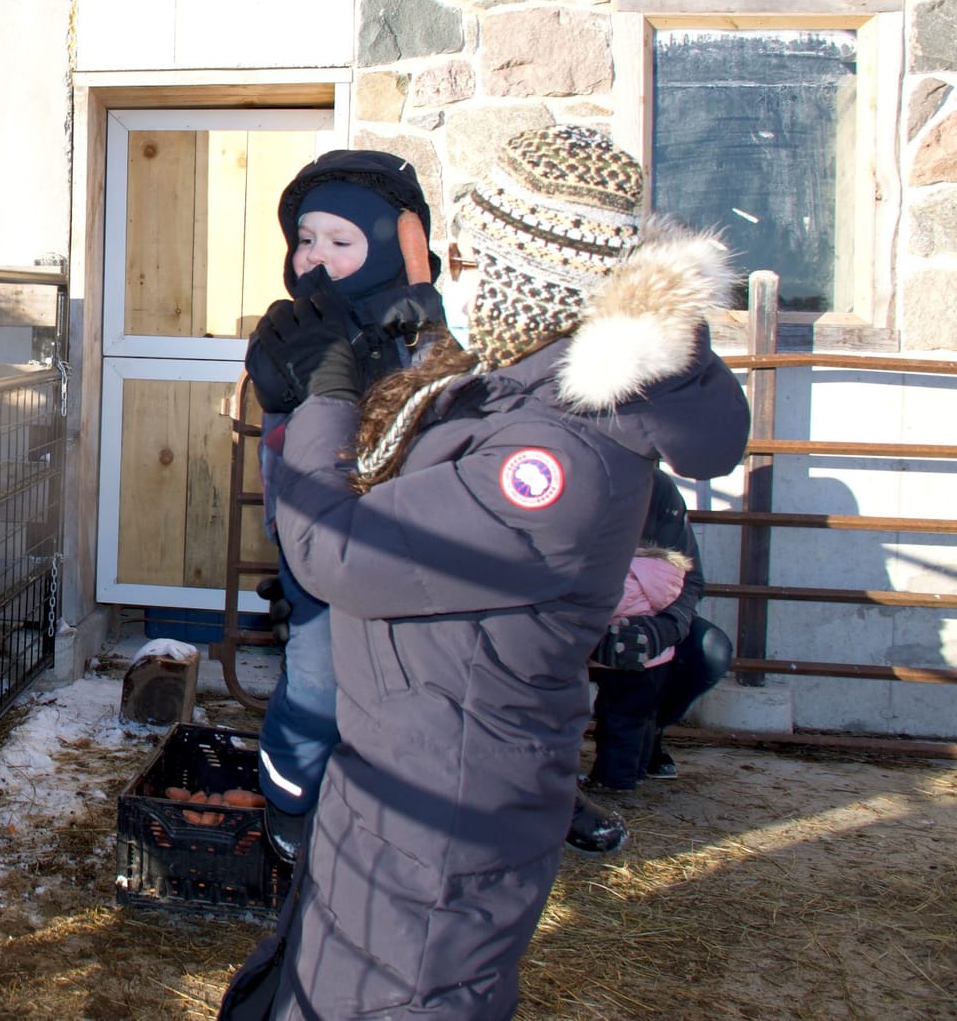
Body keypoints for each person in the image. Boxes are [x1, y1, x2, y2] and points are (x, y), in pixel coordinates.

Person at [218, 125, 750, 1021]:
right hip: (410, 770)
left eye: (469, 255)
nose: (452, 273)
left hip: (444, 819)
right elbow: (464, 445)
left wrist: (328, 396)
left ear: (525, 275)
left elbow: (337, 550)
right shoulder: (550, 394)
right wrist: (426, 352)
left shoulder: (560, 459)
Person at [244, 151, 444, 864]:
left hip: (407, 539)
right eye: (305, 239)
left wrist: (421, 333)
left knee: (413, 682)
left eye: (341, 240)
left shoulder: (419, 325)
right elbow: (279, 402)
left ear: (393, 246)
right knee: (320, 676)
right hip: (319, 537)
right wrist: (322, 363)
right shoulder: (288, 326)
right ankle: (291, 801)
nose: (316, 258)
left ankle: (389, 819)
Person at [586, 469, 733, 792]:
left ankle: (651, 732)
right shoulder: (546, 475)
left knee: (709, 651)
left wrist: (662, 630)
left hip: (637, 626)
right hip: (567, 624)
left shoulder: (656, 487)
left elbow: (689, 578)